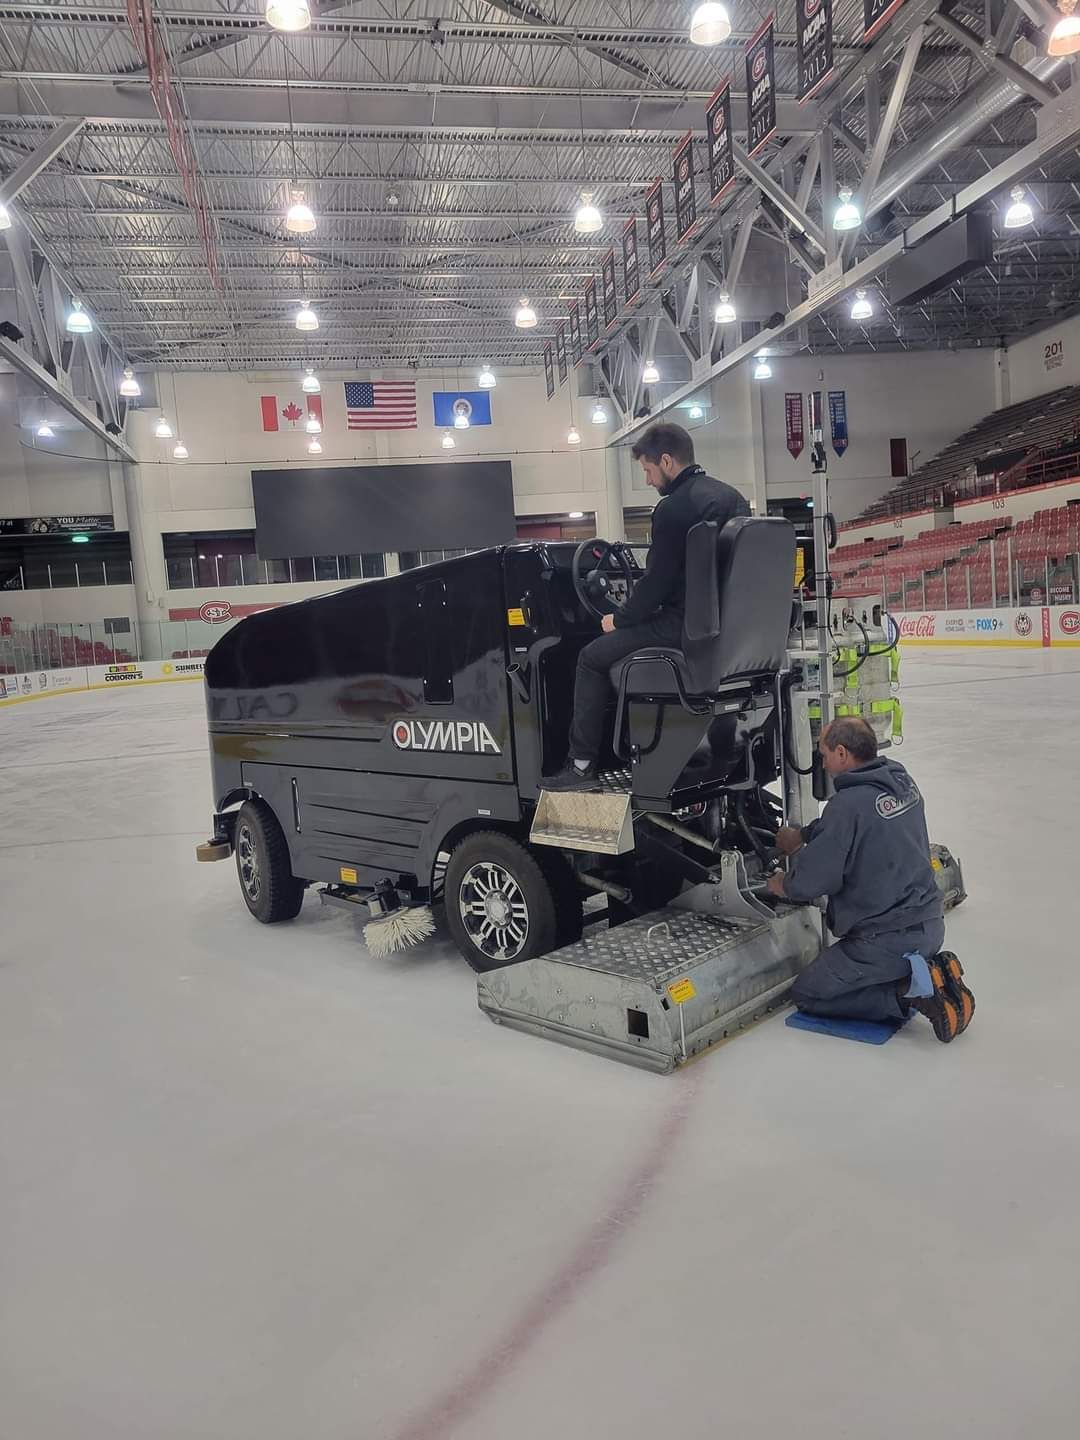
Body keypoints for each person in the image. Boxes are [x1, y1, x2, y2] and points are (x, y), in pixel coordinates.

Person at [545, 421, 749, 790]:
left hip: (681, 627)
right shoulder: (732, 498)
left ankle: (580, 766)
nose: (649, 480)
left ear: (667, 461)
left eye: (648, 470)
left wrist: (617, 619)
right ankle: (723, 748)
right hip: (728, 631)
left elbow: (655, 585)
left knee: (591, 657)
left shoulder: (674, 509)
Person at [766, 716, 975, 1042]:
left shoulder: (846, 806)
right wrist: (805, 835)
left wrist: (781, 884)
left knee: (809, 994)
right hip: (931, 926)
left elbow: (811, 882)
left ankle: (908, 993)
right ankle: (931, 974)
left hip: (883, 942)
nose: (822, 762)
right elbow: (862, 825)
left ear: (841, 754)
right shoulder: (901, 780)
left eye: (823, 755)